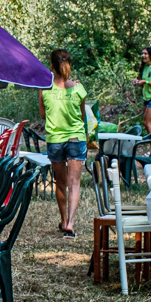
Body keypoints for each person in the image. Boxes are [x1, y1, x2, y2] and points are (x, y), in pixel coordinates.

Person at [39, 49, 87, 238]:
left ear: (51, 66)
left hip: (55, 140)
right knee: (74, 183)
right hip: (76, 138)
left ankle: (64, 220)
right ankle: (71, 224)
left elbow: (43, 115)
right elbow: (82, 116)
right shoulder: (79, 89)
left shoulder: (44, 89)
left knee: (60, 183)